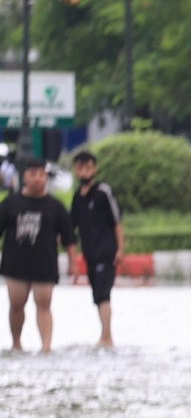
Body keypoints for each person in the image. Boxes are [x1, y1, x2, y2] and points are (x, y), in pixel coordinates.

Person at [0, 160, 70, 354]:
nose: (38, 178)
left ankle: (46, 346)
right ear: (25, 176)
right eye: (33, 174)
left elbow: (69, 238)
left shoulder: (55, 206)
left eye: (42, 174)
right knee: (16, 304)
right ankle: (16, 343)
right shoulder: (11, 203)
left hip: (44, 264)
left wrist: (73, 263)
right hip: (15, 263)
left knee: (44, 304)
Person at [67, 149, 124, 349]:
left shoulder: (103, 192)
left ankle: (107, 337)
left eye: (88, 167)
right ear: (76, 170)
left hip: (106, 251)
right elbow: (70, 226)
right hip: (90, 253)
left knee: (103, 293)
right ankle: (104, 335)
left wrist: (120, 249)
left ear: (95, 168)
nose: (85, 172)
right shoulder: (77, 197)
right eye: (81, 167)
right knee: (97, 296)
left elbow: (117, 221)